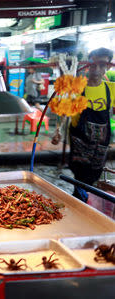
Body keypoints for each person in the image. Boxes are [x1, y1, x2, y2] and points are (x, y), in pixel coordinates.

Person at [69, 47, 115, 202]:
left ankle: (85, 201)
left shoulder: (111, 89)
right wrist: (58, 132)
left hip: (101, 143)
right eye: (93, 65)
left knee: (94, 174)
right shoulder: (77, 88)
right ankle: (79, 199)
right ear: (88, 66)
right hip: (80, 139)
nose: (96, 70)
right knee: (79, 174)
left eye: (102, 66)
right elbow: (65, 112)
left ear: (108, 67)